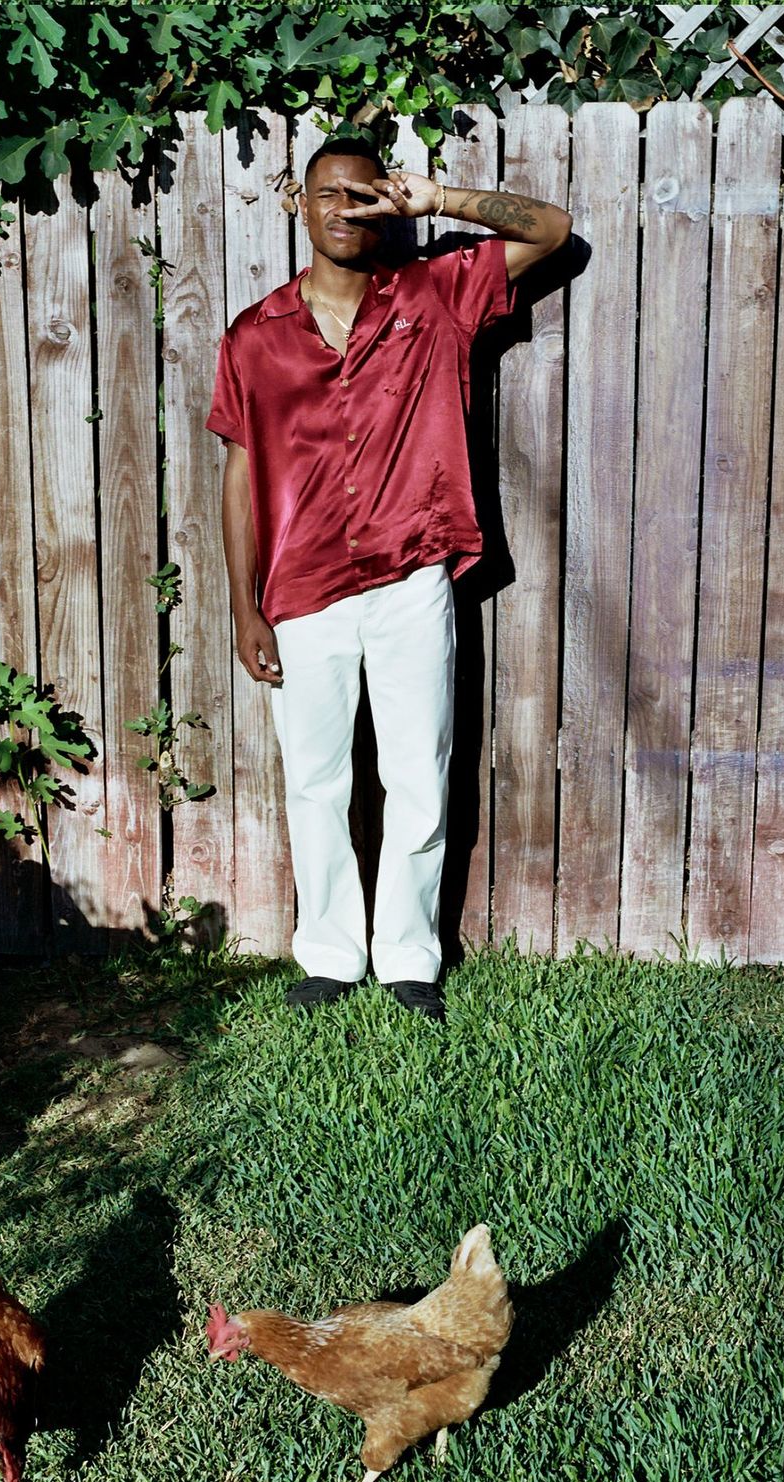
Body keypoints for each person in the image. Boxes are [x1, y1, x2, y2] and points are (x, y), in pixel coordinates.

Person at [207, 136, 571, 1021]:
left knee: (418, 775)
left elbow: (554, 230)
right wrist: (242, 607)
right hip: (303, 591)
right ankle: (330, 954)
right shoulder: (256, 336)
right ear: (301, 203)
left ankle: (410, 957)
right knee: (316, 782)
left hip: (412, 577)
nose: (344, 209)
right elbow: (238, 476)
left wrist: (434, 197)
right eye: (329, 194)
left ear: (381, 205)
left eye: (362, 196)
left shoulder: (434, 296)